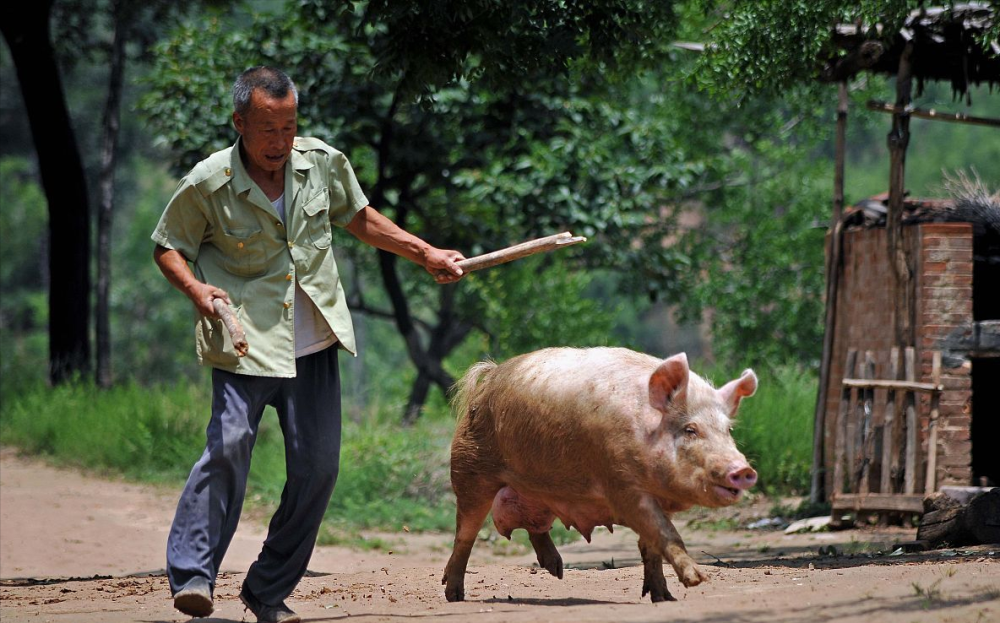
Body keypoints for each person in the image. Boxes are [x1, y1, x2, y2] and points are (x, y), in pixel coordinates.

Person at [152, 66, 465, 623]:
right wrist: (197, 288)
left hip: (314, 343)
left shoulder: (321, 163)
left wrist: (426, 253)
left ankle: (267, 591)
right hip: (246, 345)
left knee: (318, 470)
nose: (280, 142)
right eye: (268, 129)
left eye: (290, 126)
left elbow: (362, 219)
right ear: (240, 123)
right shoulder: (208, 182)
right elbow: (168, 246)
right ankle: (194, 574)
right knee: (227, 446)